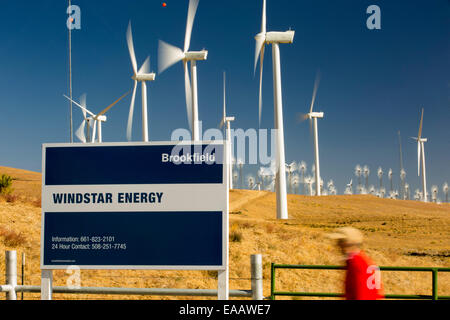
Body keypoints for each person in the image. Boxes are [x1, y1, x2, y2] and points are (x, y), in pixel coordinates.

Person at [328, 227, 384, 300]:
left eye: (340, 241)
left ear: (348, 244)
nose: (337, 245)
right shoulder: (364, 260)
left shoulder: (356, 264)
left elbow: (360, 295)